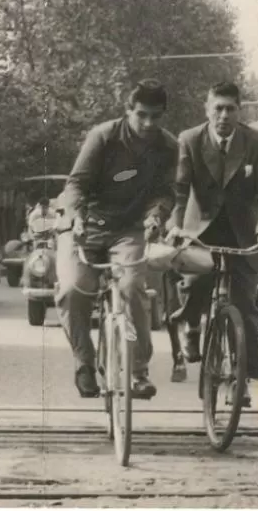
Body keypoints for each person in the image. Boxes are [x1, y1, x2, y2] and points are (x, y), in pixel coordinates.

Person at [55, 79, 178, 400]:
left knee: (132, 289)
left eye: (156, 116)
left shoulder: (167, 146)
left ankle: (138, 372)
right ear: (127, 111)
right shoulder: (103, 137)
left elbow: (166, 192)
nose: (148, 123)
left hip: (129, 230)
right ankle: (84, 362)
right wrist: (75, 216)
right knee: (72, 290)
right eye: (141, 115)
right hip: (87, 224)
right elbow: (76, 184)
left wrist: (156, 215)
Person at [167, 81, 258, 397]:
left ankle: (241, 378)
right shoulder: (190, 140)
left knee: (244, 305)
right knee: (193, 285)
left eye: (230, 108)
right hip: (200, 230)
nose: (224, 115)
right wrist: (176, 226)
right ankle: (190, 324)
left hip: (244, 233)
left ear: (240, 111)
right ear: (207, 109)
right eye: (217, 108)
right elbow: (178, 189)